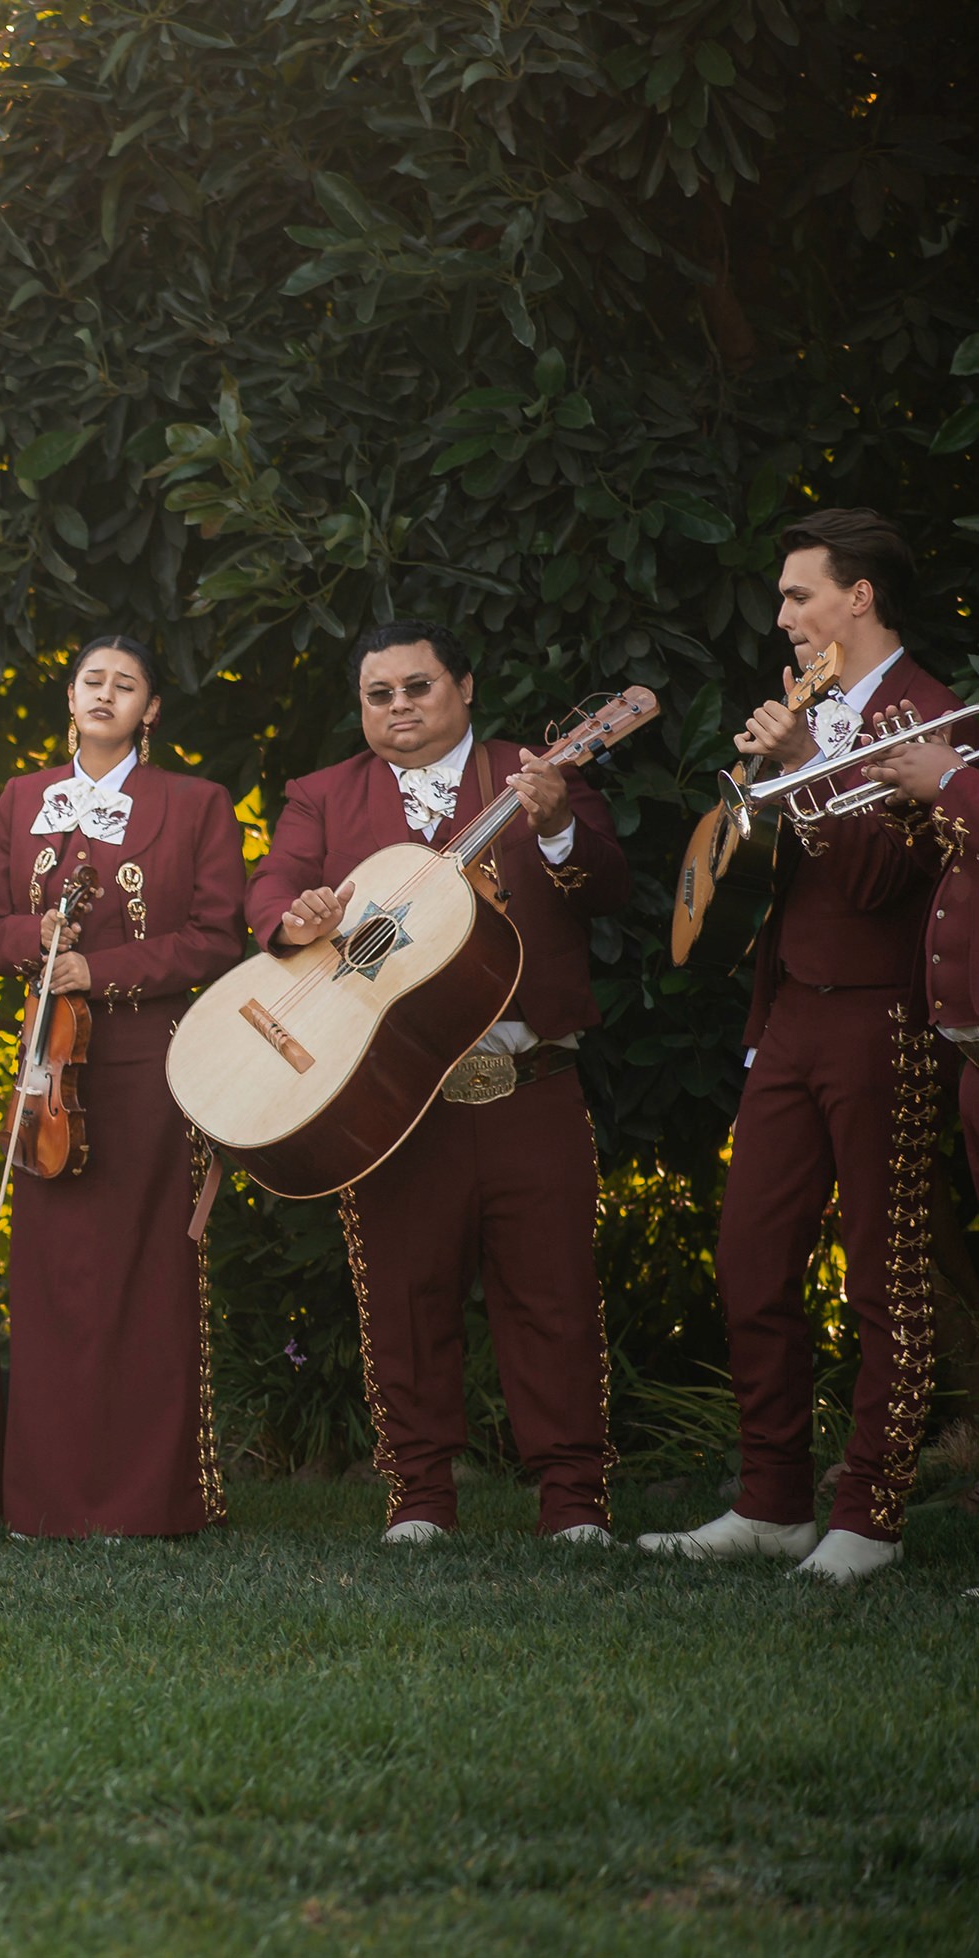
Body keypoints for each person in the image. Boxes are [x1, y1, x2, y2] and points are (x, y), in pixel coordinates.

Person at [252, 622, 631, 1547]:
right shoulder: (322, 795)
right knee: (404, 1296)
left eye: (417, 687)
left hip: (528, 1079)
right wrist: (297, 917)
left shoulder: (534, 771)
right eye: (379, 695)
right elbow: (269, 894)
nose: (399, 708)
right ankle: (419, 1500)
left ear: (463, 684)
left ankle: (574, 1504)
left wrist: (553, 827)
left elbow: (609, 885)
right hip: (394, 1096)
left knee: (553, 1297)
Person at [642, 509, 958, 1585]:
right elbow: (774, 879)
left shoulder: (931, 713)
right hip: (788, 1017)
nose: (780, 617)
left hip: (885, 1018)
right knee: (749, 1255)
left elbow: (876, 882)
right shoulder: (811, 707)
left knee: (882, 1271)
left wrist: (805, 763)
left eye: (796, 595)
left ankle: (865, 1517)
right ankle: (771, 1501)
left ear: (856, 597)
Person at [0, 634, 246, 1538]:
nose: (106, 695)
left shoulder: (197, 803)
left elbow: (216, 941)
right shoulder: (20, 799)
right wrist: (34, 938)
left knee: (147, 1276)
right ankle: (44, 1503)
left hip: (152, 1064)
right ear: (70, 695)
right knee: (51, 1283)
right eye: (93, 680)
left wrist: (104, 969)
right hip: (48, 1070)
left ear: (150, 709)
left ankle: (150, 1502)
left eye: (128, 686)